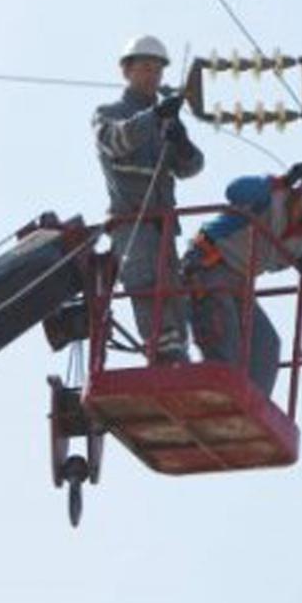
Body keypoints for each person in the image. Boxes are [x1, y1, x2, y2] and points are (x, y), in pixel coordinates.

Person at [183, 162, 302, 396]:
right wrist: (280, 181)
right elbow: (234, 191)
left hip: (238, 284)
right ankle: (219, 397)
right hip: (206, 266)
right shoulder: (272, 196)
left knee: (266, 346)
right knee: (225, 336)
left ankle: (248, 409)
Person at [93, 35, 203, 362]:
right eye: (145, 68)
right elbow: (115, 141)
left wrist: (180, 141)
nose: (152, 75)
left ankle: (176, 358)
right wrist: (153, 119)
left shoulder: (167, 118)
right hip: (131, 222)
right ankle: (163, 356)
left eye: (157, 69)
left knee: (172, 295)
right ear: (126, 71)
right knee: (147, 287)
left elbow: (192, 166)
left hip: (163, 225)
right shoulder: (109, 113)